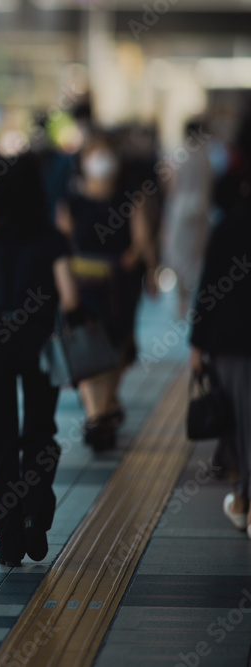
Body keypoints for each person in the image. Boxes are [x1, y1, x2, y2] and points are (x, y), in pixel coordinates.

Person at [0, 154, 80, 567]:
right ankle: (35, 514)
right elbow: (72, 297)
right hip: (39, 340)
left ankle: (8, 534)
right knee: (40, 429)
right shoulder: (51, 237)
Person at [55, 134, 156, 451]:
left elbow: (143, 240)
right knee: (86, 344)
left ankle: (106, 406)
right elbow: (61, 244)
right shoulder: (70, 200)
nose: (100, 162)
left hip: (120, 285)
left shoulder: (131, 197)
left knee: (117, 346)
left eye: (106, 154)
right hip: (82, 285)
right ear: (82, 161)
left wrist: (148, 267)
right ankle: (96, 414)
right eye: (94, 154)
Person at [190, 120, 251, 539]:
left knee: (240, 422)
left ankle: (244, 499)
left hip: (231, 341)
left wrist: (197, 342)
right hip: (232, 339)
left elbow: (209, 284)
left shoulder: (230, 222)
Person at [163, 119, 213, 317]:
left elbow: (172, 185)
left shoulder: (180, 155)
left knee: (179, 256)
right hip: (201, 210)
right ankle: (192, 299)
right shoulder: (206, 155)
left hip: (182, 210)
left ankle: (182, 300)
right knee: (196, 257)